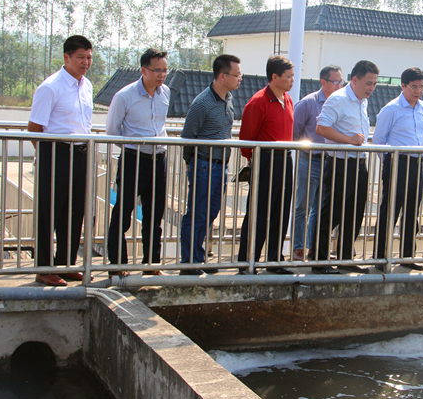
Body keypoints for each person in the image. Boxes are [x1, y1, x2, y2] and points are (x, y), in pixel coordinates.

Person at [28, 35, 94, 286]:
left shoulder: (86, 86)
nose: (85, 62)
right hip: (55, 152)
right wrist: (49, 155)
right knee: (50, 212)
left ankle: (66, 263)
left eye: (89, 57)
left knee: (75, 211)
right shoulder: (50, 87)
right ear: (66, 57)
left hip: (80, 152)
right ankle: (44, 268)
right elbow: (35, 128)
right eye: (80, 57)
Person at [105, 48, 170, 277]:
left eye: (165, 70)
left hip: (158, 160)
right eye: (157, 70)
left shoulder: (165, 93)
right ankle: (117, 266)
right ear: (143, 70)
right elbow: (112, 131)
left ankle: (151, 264)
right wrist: (134, 147)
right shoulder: (124, 96)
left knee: (155, 215)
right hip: (134, 159)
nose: (162, 75)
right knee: (123, 214)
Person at [313, 60, 379, 274]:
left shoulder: (362, 101)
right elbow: (321, 127)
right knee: (331, 213)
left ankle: (345, 257)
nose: (371, 88)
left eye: (374, 84)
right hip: (340, 164)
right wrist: (348, 140)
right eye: (368, 83)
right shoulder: (339, 98)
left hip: (359, 163)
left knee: (354, 213)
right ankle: (319, 260)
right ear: (355, 80)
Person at [180, 54, 240, 275]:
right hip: (203, 164)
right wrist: (193, 164)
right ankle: (189, 262)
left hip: (220, 165)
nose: (240, 78)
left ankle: (199, 256)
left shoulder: (229, 98)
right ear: (222, 76)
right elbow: (188, 137)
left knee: (211, 212)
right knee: (197, 213)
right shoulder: (202, 103)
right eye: (236, 74)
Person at [237, 55, 295, 275]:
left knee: (281, 211)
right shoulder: (258, 101)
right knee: (258, 212)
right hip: (265, 159)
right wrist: (254, 160)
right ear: (275, 77)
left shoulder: (287, 99)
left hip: (285, 158)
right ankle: (247, 261)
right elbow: (246, 139)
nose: (292, 80)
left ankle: (274, 260)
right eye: (288, 76)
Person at [372, 67, 423, 272]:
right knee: (390, 210)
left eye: (421, 87)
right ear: (403, 86)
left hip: (417, 163)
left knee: (412, 211)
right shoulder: (391, 109)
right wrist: (391, 163)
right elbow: (379, 140)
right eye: (414, 87)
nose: (418, 91)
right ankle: (380, 257)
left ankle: (407, 255)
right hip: (397, 162)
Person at [291, 65, 344, 261]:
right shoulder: (308, 103)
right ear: (323, 82)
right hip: (309, 159)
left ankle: (315, 248)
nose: (339, 85)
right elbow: (294, 133)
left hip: (330, 161)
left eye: (341, 81)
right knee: (302, 206)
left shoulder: (341, 103)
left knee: (321, 208)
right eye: (335, 81)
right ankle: (298, 248)